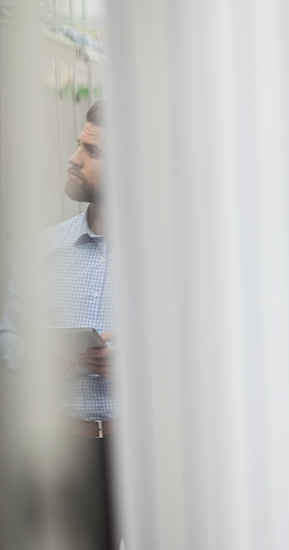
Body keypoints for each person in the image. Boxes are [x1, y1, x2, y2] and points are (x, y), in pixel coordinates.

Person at [0, 100, 118, 549]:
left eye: (92, 151)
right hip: (68, 457)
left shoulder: (174, 258)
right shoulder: (43, 251)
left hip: (150, 455)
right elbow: (9, 336)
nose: (74, 158)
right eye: (77, 145)